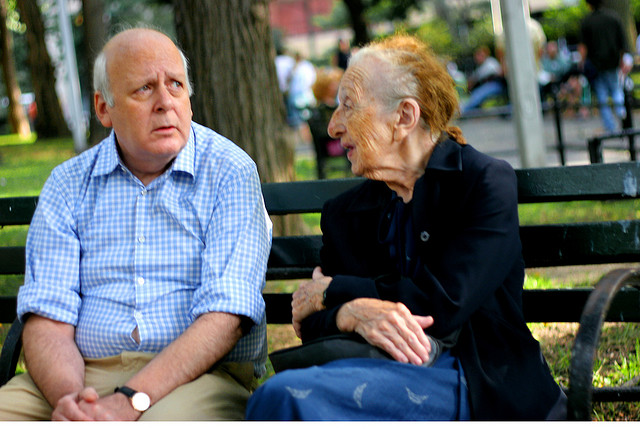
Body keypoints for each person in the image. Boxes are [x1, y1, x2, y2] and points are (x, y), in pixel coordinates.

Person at [245, 34, 566, 421]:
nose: (332, 127)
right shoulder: (345, 212)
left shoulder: (482, 182)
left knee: (284, 398)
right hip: (370, 368)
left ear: (404, 117)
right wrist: (351, 313)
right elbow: (313, 323)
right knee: (278, 398)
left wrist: (336, 292)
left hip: (475, 378)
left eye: (348, 106)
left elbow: (442, 304)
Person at [0, 28, 272, 421]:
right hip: (78, 374)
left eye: (176, 85)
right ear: (104, 109)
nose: (165, 103)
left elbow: (226, 316)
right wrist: (75, 403)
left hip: (196, 376)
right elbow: (48, 318)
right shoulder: (67, 184)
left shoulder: (229, 172)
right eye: (144, 89)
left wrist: (129, 400)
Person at [579, 0, 632, 133]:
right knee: (616, 90)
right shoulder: (613, 17)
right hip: (612, 61)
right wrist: (622, 59)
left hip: (596, 65)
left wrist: (582, 63)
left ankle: (610, 127)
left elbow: (583, 47)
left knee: (602, 96)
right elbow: (622, 42)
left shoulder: (587, 21)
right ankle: (622, 115)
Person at [307, 67, 348, 178]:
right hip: (332, 146)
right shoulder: (322, 110)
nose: (336, 87)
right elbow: (321, 132)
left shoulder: (336, 107)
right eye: (333, 84)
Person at [460, 46, 506, 114]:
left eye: (480, 55)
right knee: (477, 93)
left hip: (495, 84)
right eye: (477, 55)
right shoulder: (481, 65)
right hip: (490, 85)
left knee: (478, 94)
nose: (478, 58)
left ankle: (463, 110)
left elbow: (475, 79)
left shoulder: (490, 63)